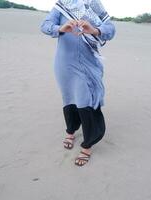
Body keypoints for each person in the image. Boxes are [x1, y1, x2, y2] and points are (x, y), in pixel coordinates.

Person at [40, 0, 115, 166]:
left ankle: (88, 144)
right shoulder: (63, 5)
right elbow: (45, 25)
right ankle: (71, 130)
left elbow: (110, 30)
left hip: (88, 65)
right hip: (65, 63)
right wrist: (60, 28)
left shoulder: (95, 5)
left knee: (85, 101)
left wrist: (95, 30)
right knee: (69, 98)